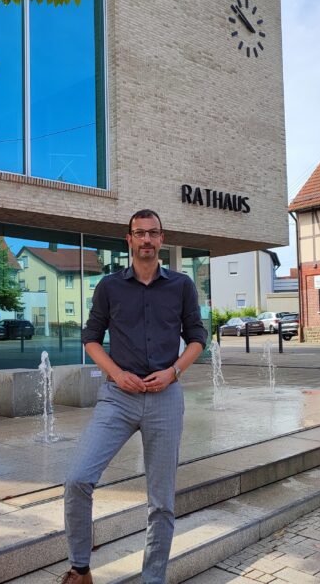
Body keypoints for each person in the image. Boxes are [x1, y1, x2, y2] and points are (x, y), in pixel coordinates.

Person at [61, 209, 208, 584]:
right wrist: (116, 373)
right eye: (139, 233)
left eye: (153, 234)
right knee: (78, 478)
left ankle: (152, 578)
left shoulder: (181, 285)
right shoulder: (109, 287)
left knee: (161, 502)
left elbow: (197, 338)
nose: (146, 240)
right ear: (128, 239)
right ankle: (80, 569)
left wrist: (174, 371)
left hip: (165, 398)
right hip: (118, 397)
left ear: (162, 239)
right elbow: (90, 338)